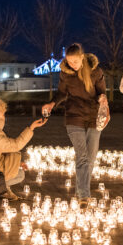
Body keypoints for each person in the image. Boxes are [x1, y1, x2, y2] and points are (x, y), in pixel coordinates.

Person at [41, 43, 107, 207]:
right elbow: (62, 93)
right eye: (69, 62)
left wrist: (103, 99)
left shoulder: (96, 71)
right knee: (82, 156)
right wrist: (52, 103)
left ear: (82, 58)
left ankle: (80, 191)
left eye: (75, 62)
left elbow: (102, 92)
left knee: (90, 158)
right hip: (74, 116)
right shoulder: (66, 73)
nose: (73, 65)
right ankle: (84, 196)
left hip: (93, 116)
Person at [0, 98, 46, 203]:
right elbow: (15, 145)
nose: (4, 116)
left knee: (14, 159)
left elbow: (3, 150)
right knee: (20, 175)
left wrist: (17, 162)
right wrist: (31, 128)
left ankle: (0, 189)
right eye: (2, 113)